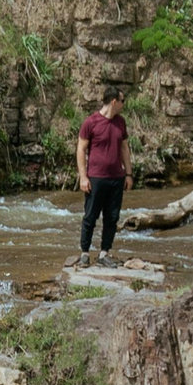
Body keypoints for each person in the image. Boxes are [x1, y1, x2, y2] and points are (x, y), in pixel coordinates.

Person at [75, 94, 130, 265]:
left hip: (116, 178)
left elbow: (125, 149)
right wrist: (83, 177)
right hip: (96, 178)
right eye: (122, 101)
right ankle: (84, 253)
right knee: (90, 216)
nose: (123, 104)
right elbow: (81, 150)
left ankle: (104, 254)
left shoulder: (120, 122)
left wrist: (128, 174)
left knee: (112, 217)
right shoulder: (91, 122)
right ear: (114, 101)